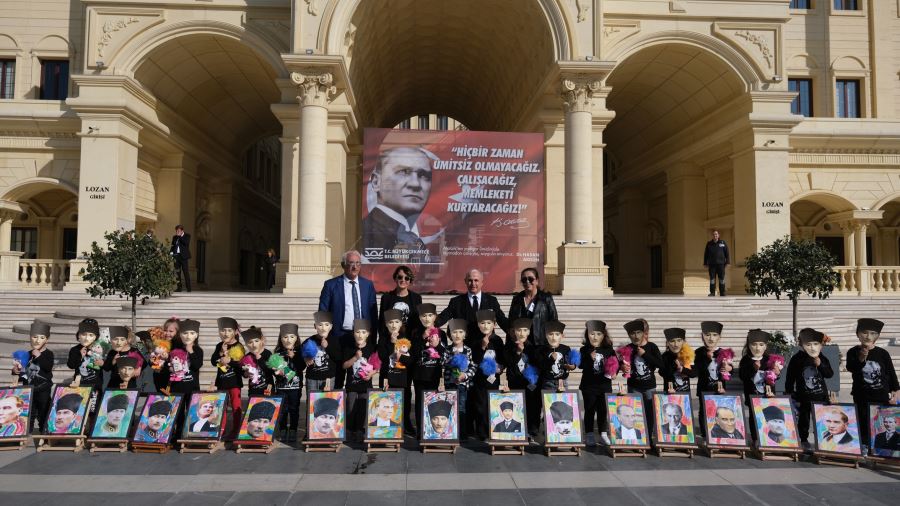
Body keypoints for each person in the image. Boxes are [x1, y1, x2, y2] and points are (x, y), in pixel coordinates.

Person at [362, 146, 437, 263]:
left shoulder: (412, 236)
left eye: (423, 176)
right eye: (403, 172)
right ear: (376, 182)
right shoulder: (368, 232)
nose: (415, 184)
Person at [318, 250, 377, 388]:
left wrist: (373, 337)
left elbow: (373, 313)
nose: (354, 267)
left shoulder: (368, 285)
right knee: (338, 373)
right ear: (343, 265)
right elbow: (323, 311)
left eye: (357, 263)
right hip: (339, 335)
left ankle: (357, 406)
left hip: (361, 336)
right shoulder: (331, 285)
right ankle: (338, 405)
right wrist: (324, 335)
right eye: (351, 263)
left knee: (360, 374)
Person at [846, 318, 900, 449]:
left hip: (880, 395)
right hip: (861, 395)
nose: (868, 336)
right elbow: (851, 368)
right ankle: (864, 446)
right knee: (863, 421)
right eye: (864, 332)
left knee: (879, 422)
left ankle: (877, 448)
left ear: (878, 336)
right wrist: (861, 358)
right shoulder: (852, 352)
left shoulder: (883, 353)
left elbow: (890, 372)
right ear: (858, 334)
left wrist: (896, 390)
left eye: (872, 333)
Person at [785, 328, 833, 448]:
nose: (812, 347)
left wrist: (820, 364)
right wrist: (789, 392)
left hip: (821, 396)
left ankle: (823, 442)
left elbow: (829, 374)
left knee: (822, 421)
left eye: (815, 344)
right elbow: (790, 377)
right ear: (801, 343)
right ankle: (804, 439)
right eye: (808, 344)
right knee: (804, 420)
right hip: (804, 397)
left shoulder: (821, 357)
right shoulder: (797, 359)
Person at [436, 269, 509, 345]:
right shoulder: (456, 302)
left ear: (482, 282)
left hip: (486, 345)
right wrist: (429, 325)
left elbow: (502, 320)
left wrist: (514, 331)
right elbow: (441, 318)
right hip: (465, 346)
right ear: (465, 281)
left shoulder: (492, 301)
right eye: (470, 280)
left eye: (476, 280)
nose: (473, 284)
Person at [621, 319, 662, 435]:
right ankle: (638, 438)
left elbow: (660, 364)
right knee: (635, 412)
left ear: (644, 333)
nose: (635, 336)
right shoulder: (628, 348)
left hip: (649, 387)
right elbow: (622, 364)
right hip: (634, 386)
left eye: (638, 332)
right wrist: (623, 367)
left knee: (649, 412)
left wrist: (645, 354)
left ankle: (649, 435)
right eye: (632, 334)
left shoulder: (652, 347)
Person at [469, 309, 505, 440]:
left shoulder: (498, 341)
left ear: (494, 324)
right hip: (479, 379)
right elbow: (473, 360)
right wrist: (482, 347)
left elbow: (502, 358)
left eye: (488, 323)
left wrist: (501, 367)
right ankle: (481, 431)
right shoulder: (474, 341)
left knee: (493, 404)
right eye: (482, 323)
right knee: (480, 405)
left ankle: (493, 429)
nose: (485, 326)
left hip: (494, 379)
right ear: (478, 324)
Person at [579, 320, 616, 446]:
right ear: (587, 335)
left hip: (604, 385)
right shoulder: (584, 349)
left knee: (603, 410)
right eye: (592, 334)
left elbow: (615, 364)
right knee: (589, 410)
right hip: (589, 386)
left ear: (603, 335)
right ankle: (589, 434)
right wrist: (590, 358)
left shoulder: (609, 349)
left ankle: (603, 434)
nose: (595, 337)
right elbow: (581, 365)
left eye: (598, 334)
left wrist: (615, 371)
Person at [13, 321, 54, 434]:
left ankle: (44, 430)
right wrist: (16, 371)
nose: (37, 340)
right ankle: (27, 432)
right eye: (34, 337)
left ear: (47, 339)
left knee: (43, 411)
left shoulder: (48, 354)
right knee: (29, 412)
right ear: (30, 338)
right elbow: (23, 373)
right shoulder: (27, 354)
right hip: (29, 389)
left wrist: (39, 356)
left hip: (43, 389)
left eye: (41, 337)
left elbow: (48, 367)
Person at [505, 318, 540, 439]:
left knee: (532, 406)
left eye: (525, 330)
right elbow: (508, 362)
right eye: (519, 330)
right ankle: (517, 429)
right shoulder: (509, 347)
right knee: (517, 406)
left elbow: (537, 364)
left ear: (529, 332)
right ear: (514, 332)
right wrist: (518, 352)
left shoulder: (533, 347)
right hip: (515, 382)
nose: (522, 333)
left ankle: (532, 430)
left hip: (530, 383)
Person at [210, 317, 244, 439]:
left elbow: (242, 365)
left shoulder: (239, 346)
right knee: (221, 407)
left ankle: (235, 430)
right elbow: (213, 361)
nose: (226, 333)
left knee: (236, 406)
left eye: (229, 330)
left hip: (234, 382)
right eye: (223, 330)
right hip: (222, 382)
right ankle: (221, 429)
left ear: (235, 332)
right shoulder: (219, 345)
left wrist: (230, 361)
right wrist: (220, 354)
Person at [442, 319, 475, 439]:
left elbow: (472, 366)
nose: (457, 335)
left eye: (460, 332)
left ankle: (462, 433)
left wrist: (465, 376)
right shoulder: (447, 350)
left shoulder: (468, 350)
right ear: (450, 334)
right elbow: (443, 364)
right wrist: (452, 358)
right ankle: (450, 431)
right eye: (454, 332)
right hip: (449, 384)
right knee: (449, 407)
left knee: (461, 407)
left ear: (465, 334)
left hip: (462, 385)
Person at [507, 267, 558, 346]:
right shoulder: (517, 299)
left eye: (530, 279)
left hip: (540, 344)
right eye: (524, 280)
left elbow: (553, 321)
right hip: (521, 344)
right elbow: (511, 321)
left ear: (537, 281)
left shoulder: (546, 298)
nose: (527, 282)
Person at [274, 323, 305, 442]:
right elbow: (273, 368)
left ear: (296, 338)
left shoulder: (300, 352)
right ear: (281, 339)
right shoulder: (277, 353)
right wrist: (276, 371)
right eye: (285, 337)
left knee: (294, 409)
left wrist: (294, 357)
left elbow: (301, 367)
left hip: (295, 387)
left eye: (292, 337)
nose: (288, 340)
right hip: (281, 387)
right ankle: (282, 428)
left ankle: (293, 429)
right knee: (282, 409)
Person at [304, 311, 343, 392]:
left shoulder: (335, 341)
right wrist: (306, 358)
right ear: (315, 326)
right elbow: (302, 354)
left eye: (326, 325)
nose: (323, 328)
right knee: (312, 403)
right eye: (320, 325)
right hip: (312, 378)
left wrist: (327, 347)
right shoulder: (309, 341)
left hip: (328, 379)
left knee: (327, 401)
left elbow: (338, 357)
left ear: (331, 326)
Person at [168, 319, 203, 395]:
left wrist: (191, 352)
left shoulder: (198, 350)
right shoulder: (174, 349)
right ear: (180, 334)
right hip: (176, 388)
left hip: (192, 389)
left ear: (196, 335)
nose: (188, 336)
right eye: (185, 333)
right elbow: (167, 364)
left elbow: (197, 365)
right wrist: (170, 367)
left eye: (192, 333)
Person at [702, 229, 729, 296]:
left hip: (721, 264)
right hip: (712, 265)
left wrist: (727, 262)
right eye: (714, 234)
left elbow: (727, 253)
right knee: (712, 279)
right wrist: (705, 263)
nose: (715, 235)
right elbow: (706, 254)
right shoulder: (709, 244)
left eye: (716, 234)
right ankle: (712, 292)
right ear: (712, 236)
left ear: (718, 235)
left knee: (721, 279)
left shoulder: (723, 243)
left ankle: (722, 292)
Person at [169, 224, 192, 292]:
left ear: (182, 231)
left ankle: (189, 288)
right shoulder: (174, 237)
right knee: (177, 272)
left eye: (178, 231)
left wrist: (180, 237)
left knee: (185, 272)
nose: (177, 232)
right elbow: (172, 246)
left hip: (184, 257)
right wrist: (171, 252)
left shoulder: (187, 236)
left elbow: (186, 243)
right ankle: (179, 288)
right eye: (176, 231)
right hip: (176, 256)